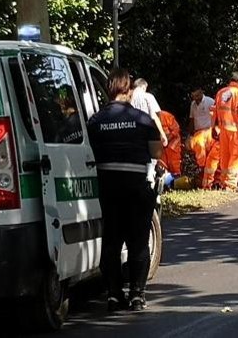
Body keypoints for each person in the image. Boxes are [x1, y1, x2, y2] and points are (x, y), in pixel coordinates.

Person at [87, 68, 163, 313]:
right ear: (128, 91)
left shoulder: (96, 121)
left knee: (111, 240)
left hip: (109, 187)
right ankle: (137, 296)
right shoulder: (142, 119)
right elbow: (156, 152)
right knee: (138, 241)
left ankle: (113, 294)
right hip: (137, 187)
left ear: (109, 90)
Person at [212, 72, 238, 191]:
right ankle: (231, 184)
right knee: (235, 156)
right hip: (235, 131)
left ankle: (224, 182)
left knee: (225, 156)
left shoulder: (220, 93)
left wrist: (213, 127)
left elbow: (215, 112)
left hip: (223, 131)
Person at [131, 78, 169, 147]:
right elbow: (155, 117)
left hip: (134, 133)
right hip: (148, 132)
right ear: (143, 86)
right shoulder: (148, 96)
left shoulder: (129, 98)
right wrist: (162, 133)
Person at [157, 110, 182, 176]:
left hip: (173, 145)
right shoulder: (149, 118)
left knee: (174, 165)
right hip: (161, 146)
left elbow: (176, 128)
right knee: (162, 165)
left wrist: (167, 138)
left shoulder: (166, 116)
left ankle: (177, 182)